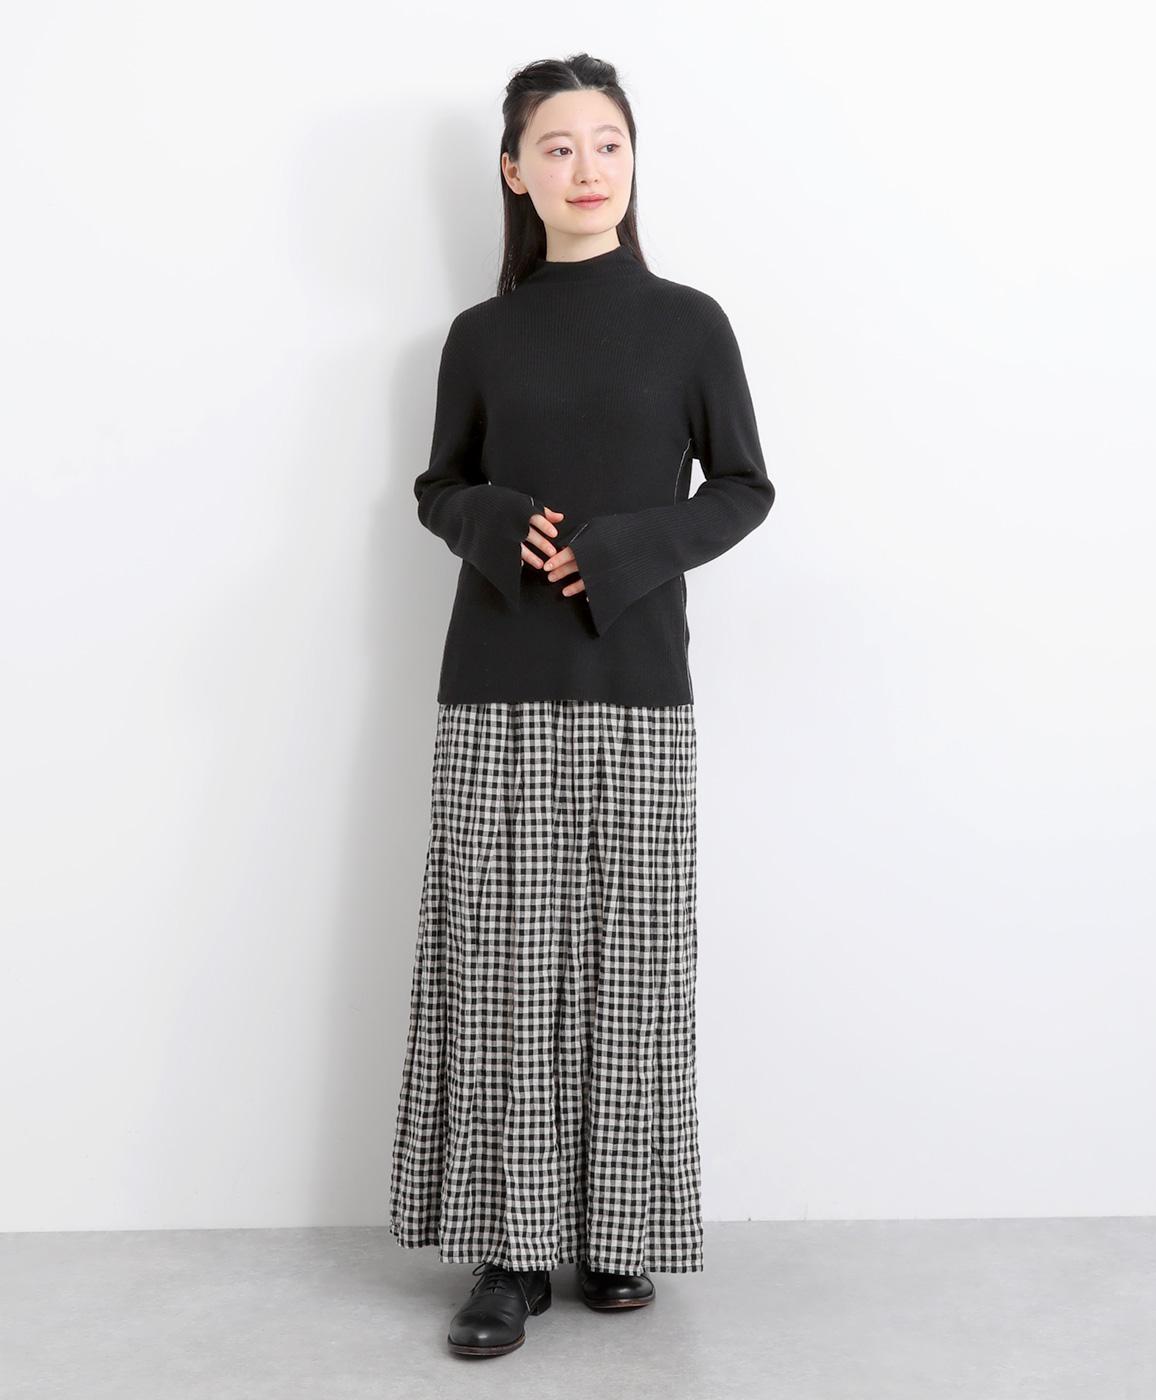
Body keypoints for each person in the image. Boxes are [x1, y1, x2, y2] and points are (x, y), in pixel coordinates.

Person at [388, 52, 775, 1359]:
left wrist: (619, 551)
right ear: (516, 171)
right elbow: (438, 488)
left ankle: (619, 1231)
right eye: (556, 146)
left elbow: (743, 488)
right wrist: (502, 523)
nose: (585, 166)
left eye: (606, 142)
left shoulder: (691, 324)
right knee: (502, 971)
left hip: (637, 681)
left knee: (635, 965)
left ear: (633, 160)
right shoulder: (480, 337)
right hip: (496, 685)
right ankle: (508, 1253)